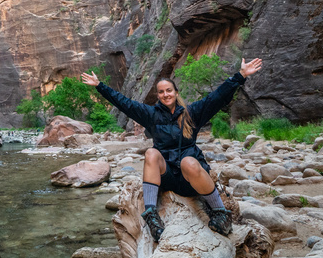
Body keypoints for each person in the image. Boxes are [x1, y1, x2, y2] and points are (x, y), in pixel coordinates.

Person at [81, 57, 262, 241]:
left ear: (176, 92)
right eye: (161, 92)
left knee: (188, 162)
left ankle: (220, 212)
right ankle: (151, 214)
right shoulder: (151, 115)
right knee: (151, 153)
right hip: (166, 176)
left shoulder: (191, 113)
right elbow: (124, 103)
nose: (165, 94)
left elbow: (217, 97)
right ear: (158, 95)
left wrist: (240, 76)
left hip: (190, 177)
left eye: (169, 90)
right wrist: (99, 85)